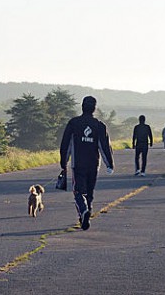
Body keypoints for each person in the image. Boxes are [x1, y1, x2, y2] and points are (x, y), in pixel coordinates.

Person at [60, 96, 114, 231]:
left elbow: (65, 144)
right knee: (89, 192)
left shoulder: (74, 123)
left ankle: (84, 211)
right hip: (93, 164)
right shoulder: (99, 125)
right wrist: (109, 164)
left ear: (82, 107)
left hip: (78, 164)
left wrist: (63, 161)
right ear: (94, 108)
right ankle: (86, 215)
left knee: (79, 191)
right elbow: (104, 146)